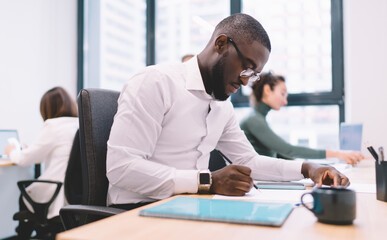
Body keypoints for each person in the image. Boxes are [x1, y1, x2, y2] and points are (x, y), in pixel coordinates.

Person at [106, 13, 350, 210]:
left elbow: (248, 161)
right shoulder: (155, 82)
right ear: (221, 44)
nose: (245, 82)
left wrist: (307, 168)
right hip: (137, 210)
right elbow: (121, 168)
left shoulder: (222, 106)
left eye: (253, 75)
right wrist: (207, 181)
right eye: (246, 68)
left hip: (189, 206)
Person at [240, 72, 365, 165]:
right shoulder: (253, 120)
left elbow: (281, 154)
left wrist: (315, 166)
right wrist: (338, 154)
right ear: (267, 90)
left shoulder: (257, 118)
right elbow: (288, 150)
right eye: (282, 93)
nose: (285, 101)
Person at [4, 87, 79, 237]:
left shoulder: (53, 126)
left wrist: (11, 151)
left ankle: (24, 235)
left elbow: (25, 159)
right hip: (77, 194)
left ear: (47, 109)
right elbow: (57, 152)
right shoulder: (79, 124)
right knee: (33, 197)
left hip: (58, 193)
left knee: (26, 196)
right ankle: (43, 232)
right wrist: (29, 148)